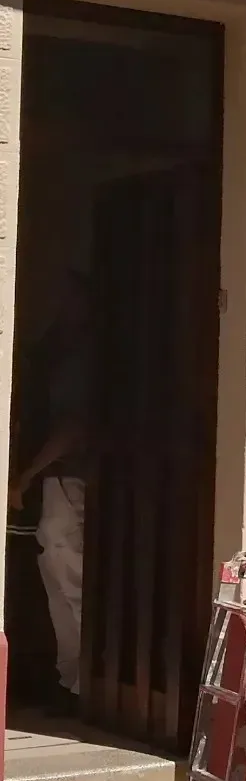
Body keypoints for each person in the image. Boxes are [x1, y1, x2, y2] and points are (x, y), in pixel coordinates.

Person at [8, 270, 91, 715]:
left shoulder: (80, 360)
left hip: (66, 479)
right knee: (58, 580)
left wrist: (26, 475)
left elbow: (71, 428)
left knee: (68, 580)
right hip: (56, 480)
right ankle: (69, 681)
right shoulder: (54, 354)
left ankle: (79, 685)